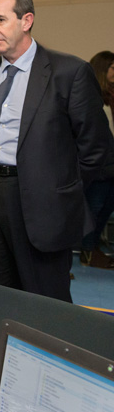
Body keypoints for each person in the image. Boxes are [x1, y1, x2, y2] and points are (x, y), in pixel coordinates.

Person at [0, 0, 113, 299]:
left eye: (0, 20)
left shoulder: (69, 72)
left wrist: (60, 191)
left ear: (26, 20)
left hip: (44, 207)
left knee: (45, 301)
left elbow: (96, 149)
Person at [83, 51, 114, 269]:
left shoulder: (111, 98)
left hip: (110, 165)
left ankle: (94, 249)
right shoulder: (90, 97)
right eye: (113, 67)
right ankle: (88, 252)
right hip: (99, 167)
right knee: (93, 210)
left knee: (106, 208)